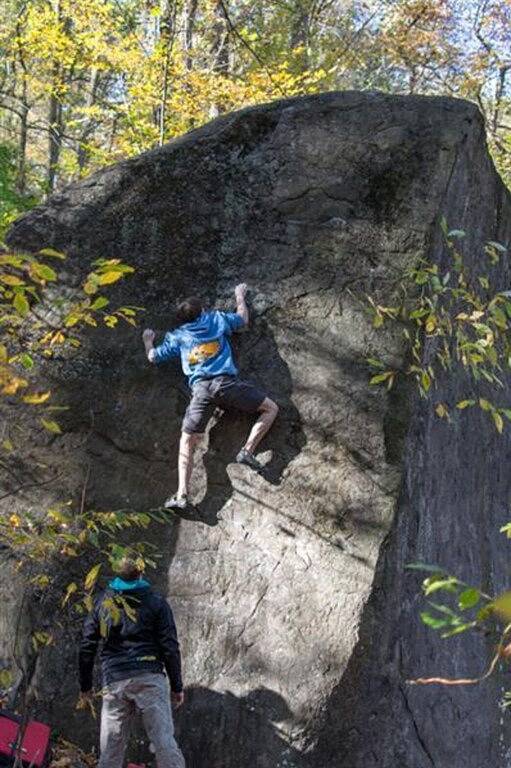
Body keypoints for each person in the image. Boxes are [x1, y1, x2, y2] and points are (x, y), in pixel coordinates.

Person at [142, 283, 279, 509]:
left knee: (187, 439)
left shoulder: (178, 336)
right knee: (271, 408)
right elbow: (242, 319)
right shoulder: (215, 319)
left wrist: (148, 340)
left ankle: (182, 495)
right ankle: (247, 451)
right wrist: (239, 296)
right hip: (227, 385)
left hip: (201, 391)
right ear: (202, 311)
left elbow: (153, 356)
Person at [78, 558, 185, 768]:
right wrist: (177, 686)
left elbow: (87, 645)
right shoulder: (156, 602)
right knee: (163, 742)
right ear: (141, 573)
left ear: (116, 573)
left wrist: (85, 686)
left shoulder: (101, 602)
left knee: (111, 749)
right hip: (149, 676)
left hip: (114, 679)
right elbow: (170, 647)